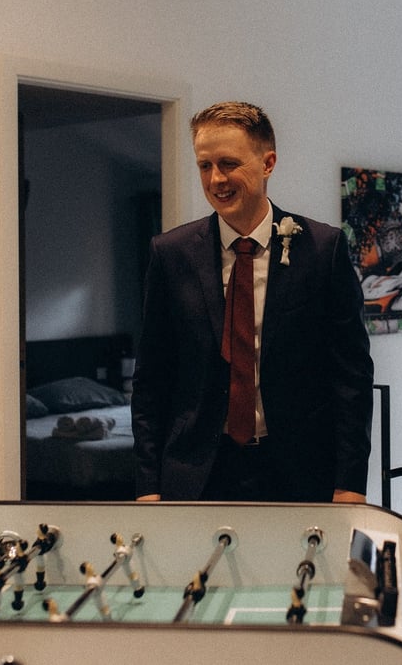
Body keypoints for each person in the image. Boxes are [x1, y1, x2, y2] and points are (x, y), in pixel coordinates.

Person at [131, 101, 374, 503]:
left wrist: (350, 483)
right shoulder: (171, 254)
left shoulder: (322, 249)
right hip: (197, 474)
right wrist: (147, 487)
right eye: (205, 166)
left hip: (299, 471)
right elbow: (151, 380)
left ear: (267, 163)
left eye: (229, 163)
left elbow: (352, 376)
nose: (216, 179)